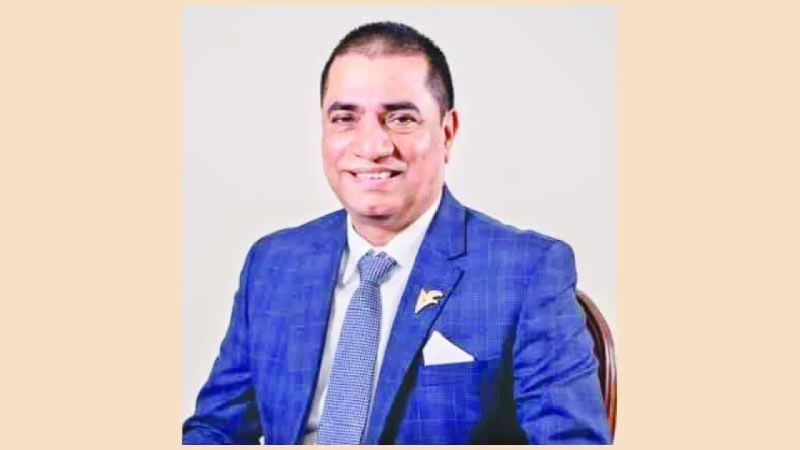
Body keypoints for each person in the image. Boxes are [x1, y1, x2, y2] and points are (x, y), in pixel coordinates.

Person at [183, 21, 611, 445]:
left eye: (401, 118)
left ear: (447, 133)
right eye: (345, 118)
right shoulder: (274, 264)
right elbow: (215, 430)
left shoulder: (525, 273)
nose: (372, 147)